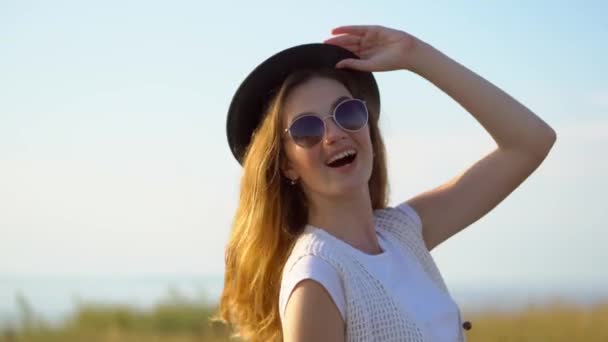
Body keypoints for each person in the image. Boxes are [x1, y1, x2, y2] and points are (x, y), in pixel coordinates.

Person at [212, 24, 557, 341]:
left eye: (346, 112)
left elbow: (531, 142)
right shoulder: (316, 278)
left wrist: (415, 54)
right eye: (307, 129)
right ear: (287, 165)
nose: (333, 134)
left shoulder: (403, 234)